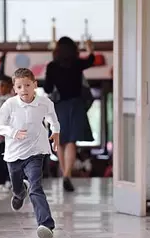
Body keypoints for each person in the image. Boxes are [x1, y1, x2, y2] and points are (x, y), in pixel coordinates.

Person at [0, 68, 60, 238]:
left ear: (35, 85)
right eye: (20, 86)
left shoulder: (44, 102)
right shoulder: (10, 104)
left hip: (36, 152)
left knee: (36, 187)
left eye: (28, 85)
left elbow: (52, 118)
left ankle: (46, 225)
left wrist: (56, 132)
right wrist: (12, 132)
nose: (24, 89)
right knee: (17, 185)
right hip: (14, 154)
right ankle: (18, 192)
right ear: (15, 89)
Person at [44, 37, 96, 192]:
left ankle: (63, 172)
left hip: (59, 106)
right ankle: (67, 174)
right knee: (72, 141)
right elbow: (90, 60)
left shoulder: (52, 66)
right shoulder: (77, 64)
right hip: (76, 105)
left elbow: (47, 88)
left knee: (60, 142)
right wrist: (90, 49)